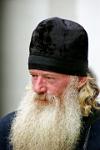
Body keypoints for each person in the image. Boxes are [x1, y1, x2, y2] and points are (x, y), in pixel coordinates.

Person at [0, 17, 100, 150]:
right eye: (34, 75)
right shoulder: (7, 127)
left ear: (80, 80)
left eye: (49, 78)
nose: (37, 88)